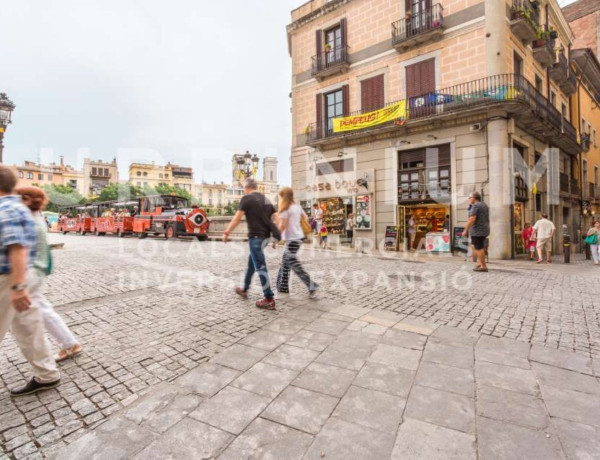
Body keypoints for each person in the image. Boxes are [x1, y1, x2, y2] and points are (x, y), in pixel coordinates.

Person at [0, 166, 61, 396]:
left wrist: (17, 286)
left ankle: (47, 373)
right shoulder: (20, 209)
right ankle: (47, 374)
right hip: (23, 276)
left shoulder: (6, 209)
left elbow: (17, 248)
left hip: (9, 278)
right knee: (28, 327)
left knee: (28, 326)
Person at [16, 187, 83, 362]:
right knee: (43, 310)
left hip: (29, 270)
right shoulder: (36, 216)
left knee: (29, 317)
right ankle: (69, 344)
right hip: (35, 269)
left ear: (26, 199)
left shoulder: (27, 217)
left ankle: (53, 359)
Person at [223, 178, 277, 310]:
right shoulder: (267, 200)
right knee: (251, 263)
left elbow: (237, 218)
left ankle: (269, 298)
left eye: (243, 188)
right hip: (265, 238)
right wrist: (276, 238)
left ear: (246, 188)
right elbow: (276, 219)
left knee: (260, 266)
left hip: (256, 238)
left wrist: (227, 232)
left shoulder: (246, 199)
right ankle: (245, 289)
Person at [275, 187, 318, 296]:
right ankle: (282, 286)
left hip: (292, 239)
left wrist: (276, 238)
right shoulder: (297, 207)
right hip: (299, 238)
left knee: (293, 263)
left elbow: (282, 226)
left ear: (283, 197)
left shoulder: (285, 208)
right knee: (286, 261)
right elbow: (306, 217)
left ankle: (311, 284)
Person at [462, 191, 490, 272]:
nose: (469, 199)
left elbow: (472, 219)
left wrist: (465, 229)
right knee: (474, 246)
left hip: (478, 230)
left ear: (474, 198)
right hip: (484, 229)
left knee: (478, 248)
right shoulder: (484, 205)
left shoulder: (475, 206)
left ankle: (483, 266)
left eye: (470, 197)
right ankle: (479, 263)